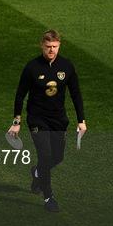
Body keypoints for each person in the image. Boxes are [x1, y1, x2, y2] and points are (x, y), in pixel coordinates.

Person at [7, 29, 87, 212]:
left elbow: (76, 94)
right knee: (45, 155)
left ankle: (37, 172)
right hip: (37, 119)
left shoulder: (67, 66)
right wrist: (16, 122)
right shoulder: (32, 67)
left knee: (57, 157)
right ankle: (48, 197)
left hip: (59, 120)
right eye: (48, 47)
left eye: (55, 47)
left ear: (59, 46)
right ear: (42, 46)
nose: (51, 50)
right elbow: (20, 95)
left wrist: (81, 120)